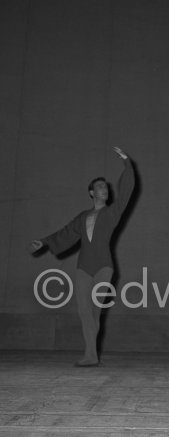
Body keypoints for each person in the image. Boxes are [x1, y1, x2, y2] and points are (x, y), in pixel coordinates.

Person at [29, 147, 135, 367]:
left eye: (106, 187)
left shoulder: (112, 213)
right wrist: (46, 242)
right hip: (83, 267)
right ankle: (90, 355)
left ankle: (90, 354)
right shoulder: (82, 217)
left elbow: (126, 191)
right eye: (99, 187)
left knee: (95, 312)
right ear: (91, 193)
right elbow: (66, 233)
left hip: (104, 266)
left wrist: (127, 163)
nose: (104, 189)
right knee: (84, 311)